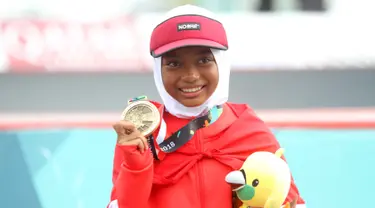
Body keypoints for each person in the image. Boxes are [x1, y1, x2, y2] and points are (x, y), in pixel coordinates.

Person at [108, 4, 306, 208]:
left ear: (221, 63)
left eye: (204, 60)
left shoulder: (249, 129)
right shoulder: (145, 135)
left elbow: (289, 202)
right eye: (174, 64)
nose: (191, 76)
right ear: (158, 70)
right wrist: (136, 168)